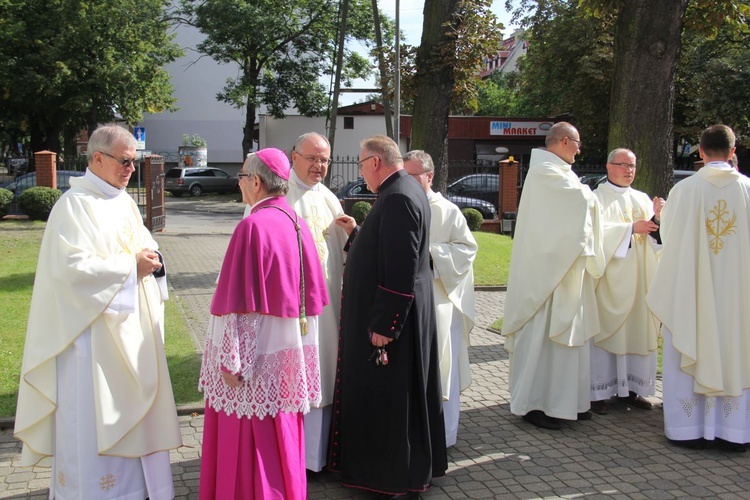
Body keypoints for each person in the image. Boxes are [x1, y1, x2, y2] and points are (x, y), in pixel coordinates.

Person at [14, 124, 181, 499]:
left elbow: (144, 247)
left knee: (136, 418)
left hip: (131, 333)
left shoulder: (121, 201)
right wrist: (129, 267)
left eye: (134, 162)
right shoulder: (73, 207)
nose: (130, 169)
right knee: (94, 420)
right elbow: (70, 272)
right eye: (124, 161)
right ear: (98, 159)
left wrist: (154, 261)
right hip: (91, 343)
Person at [199, 148, 329, 498]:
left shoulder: (253, 225)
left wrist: (231, 362)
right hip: (287, 354)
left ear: (256, 182)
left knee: (248, 447)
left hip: (254, 363)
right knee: (281, 436)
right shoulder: (296, 222)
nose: (240, 183)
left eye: (242, 176)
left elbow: (238, 306)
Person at [328, 136, 447, 497]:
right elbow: (393, 247)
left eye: (362, 163)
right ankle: (405, 471)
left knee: (392, 398)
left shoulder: (396, 196)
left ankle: (389, 477)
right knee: (405, 396)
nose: (361, 171)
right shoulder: (407, 188)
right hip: (408, 312)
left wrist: (385, 325)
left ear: (375, 162)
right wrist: (357, 236)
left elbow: (401, 267)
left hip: (396, 320)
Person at [244, 132, 349, 472]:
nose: (319, 166)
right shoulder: (277, 195)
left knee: (323, 376)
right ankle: (293, 458)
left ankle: (320, 457)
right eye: (313, 158)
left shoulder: (331, 199)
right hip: (289, 310)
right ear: (294, 156)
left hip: (328, 306)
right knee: (294, 376)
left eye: (324, 160)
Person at [647, 124, 750, 452]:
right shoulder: (748, 190)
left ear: (701, 153)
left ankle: (687, 429)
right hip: (738, 296)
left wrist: (663, 217)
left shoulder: (685, 191)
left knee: (691, 342)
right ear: (733, 152)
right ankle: (732, 431)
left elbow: (672, 240)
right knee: (734, 349)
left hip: (693, 296)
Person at [502, 121, 605, 430]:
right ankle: (534, 404)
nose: (579, 148)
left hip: (564, 269)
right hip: (544, 277)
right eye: (577, 142)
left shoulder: (559, 173)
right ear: (562, 141)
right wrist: (590, 195)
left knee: (568, 342)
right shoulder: (545, 173)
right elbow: (579, 201)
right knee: (541, 341)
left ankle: (569, 402)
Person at [403, 149, 477, 447]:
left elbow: (467, 249)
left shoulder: (447, 210)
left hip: (439, 300)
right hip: (406, 302)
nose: (405, 181)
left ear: (429, 176)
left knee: (442, 368)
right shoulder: (397, 204)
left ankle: (443, 436)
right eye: (403, 175)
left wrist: (431, 255)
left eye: (412, 175)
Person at [589, 148, 664, 415]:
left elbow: (655, 237)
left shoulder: (642, 198)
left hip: (640, 280)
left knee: (636, 332)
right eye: (623, 165)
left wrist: (657, 220)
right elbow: (595, 237)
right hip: (610, 282)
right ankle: (597, 392)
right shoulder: (596, 198)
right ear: (609, 167)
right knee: (605, 335)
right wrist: (632, 228)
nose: (628, 170)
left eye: (632, 166)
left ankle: (632, 390)